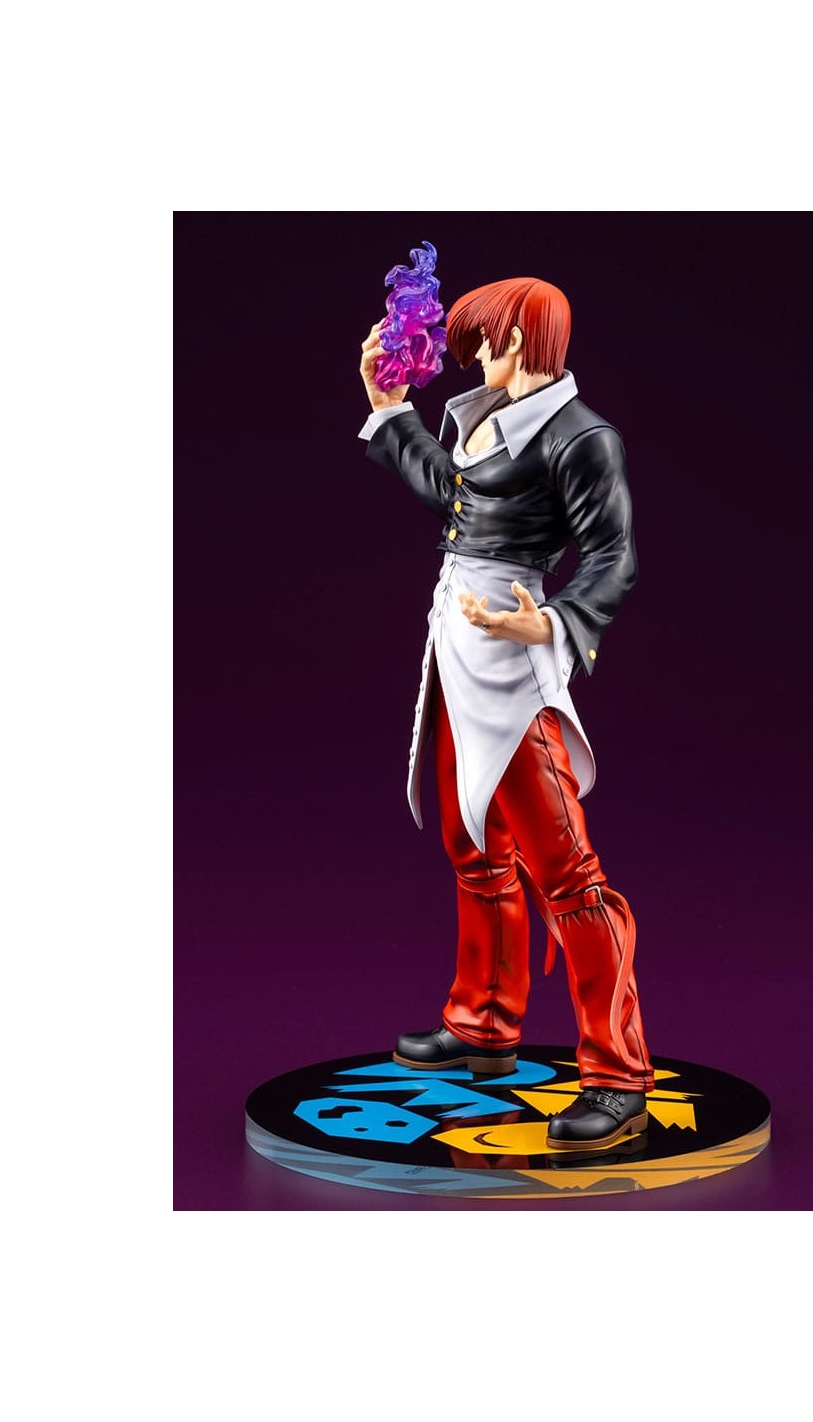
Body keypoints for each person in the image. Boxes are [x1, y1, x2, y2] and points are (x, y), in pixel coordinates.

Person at [357, 276, 654, 1150]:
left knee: (569, 875)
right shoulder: (491, 416)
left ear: (518, 339)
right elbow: (455, 493)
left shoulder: (581, 436)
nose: (473, 355)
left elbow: (613, 554)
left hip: (514, 655)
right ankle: (484, 1020)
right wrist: (388, 409)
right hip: (457, 644)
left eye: (482, 340)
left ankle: (618, 1075)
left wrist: (552, 621)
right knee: (472, 841)